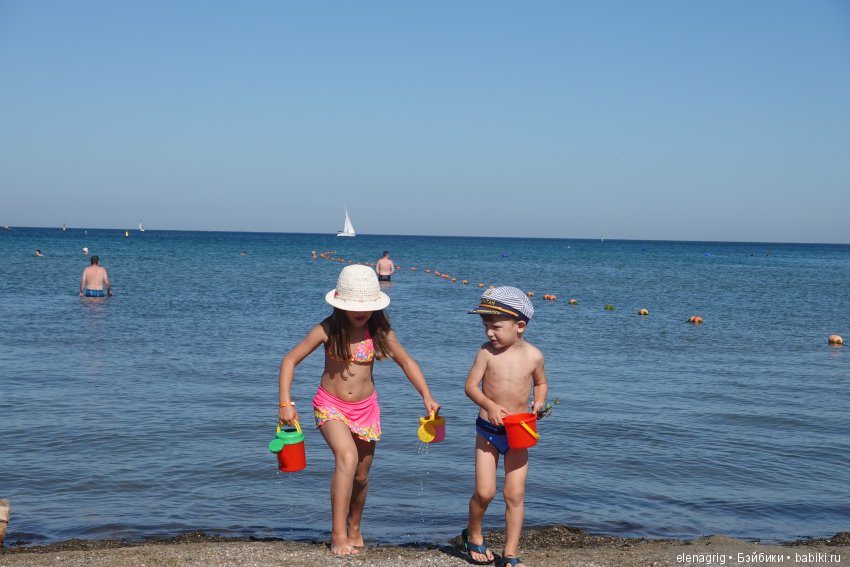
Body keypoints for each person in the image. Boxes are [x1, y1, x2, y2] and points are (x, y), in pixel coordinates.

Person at [277, 264, 440, 556]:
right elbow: (289, 361)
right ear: (341, 304)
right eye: (354, 305)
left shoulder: (379, 331)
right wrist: (285, 404)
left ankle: (354, 526)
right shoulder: (328, 329)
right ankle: (338, 534)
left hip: (366, 409)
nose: (360, 311)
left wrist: (426, 395)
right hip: (330, 405)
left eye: (365, 305)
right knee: (347, 457)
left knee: (361, 476)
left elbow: (407, 362)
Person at [461, 286, 548, 567]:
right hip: (488, 431)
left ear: (519, 326)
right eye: (485, 326)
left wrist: (540, 401)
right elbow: (470, 387)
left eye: (495, 326)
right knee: (485, 491)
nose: (489, 333)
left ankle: (510, 554)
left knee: (514, 493)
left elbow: (541, 383)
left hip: (520, 431)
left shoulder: (534, 355)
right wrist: (488, 405)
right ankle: (474, 534)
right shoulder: (486, 353)